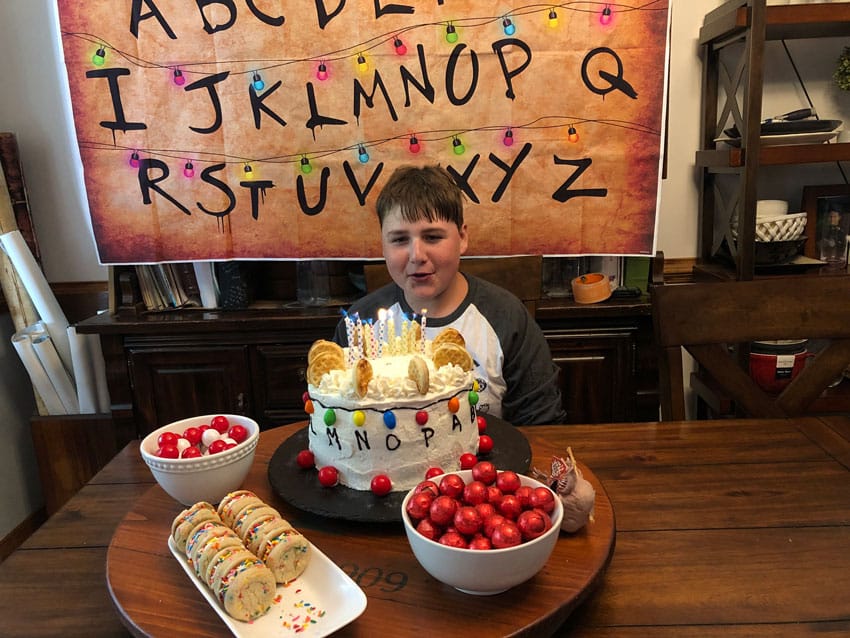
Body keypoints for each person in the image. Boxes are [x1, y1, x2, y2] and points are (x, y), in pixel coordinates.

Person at [333, 164, 567, 425]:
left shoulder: (507, 317)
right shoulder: (359, 325)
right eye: (399, 240)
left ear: (462, 237)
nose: (417, 255)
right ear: (383, 245)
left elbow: (542, 421)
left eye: (432, 237)